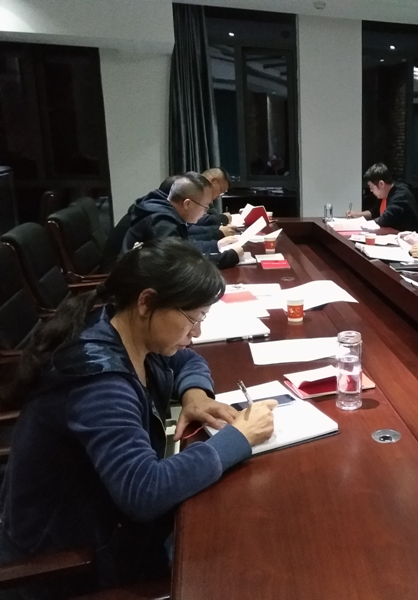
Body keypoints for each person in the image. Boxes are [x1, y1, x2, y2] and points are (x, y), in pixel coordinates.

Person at [0, 238, 277, 593]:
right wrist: (238, 439)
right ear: (147, 302)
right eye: (193, 318)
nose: (197, 334)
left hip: (108, 525)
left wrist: (195, 394)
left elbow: (186, 359)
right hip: (68, 562)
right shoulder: (100, 383)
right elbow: (144, 491)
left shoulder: (124, 326)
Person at [123, 173, 242, 269]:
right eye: (205, 207)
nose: (205, 213)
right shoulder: (162, 221)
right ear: (187, 204)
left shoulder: (163, 209)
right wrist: (229, 257)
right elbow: (179, 264)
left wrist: (216, 245)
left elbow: (183, 247)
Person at [347, 163, 418, 231]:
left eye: (371, 187)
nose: (371, 190)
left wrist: (362, 225)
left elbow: (385, 219)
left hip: (409, 238)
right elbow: (375, 212)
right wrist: (358, 215)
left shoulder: (401, 195)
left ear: (381, 184)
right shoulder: (384, 194)